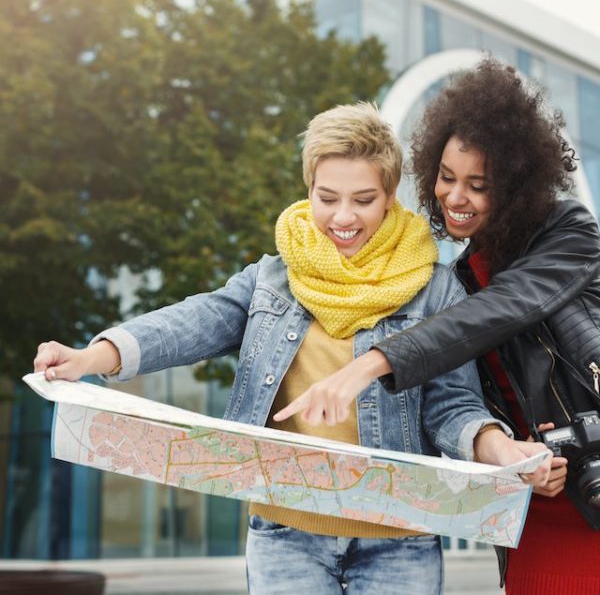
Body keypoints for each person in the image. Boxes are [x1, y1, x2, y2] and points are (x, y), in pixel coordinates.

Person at [34, 102, 550, 595]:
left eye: (363, 199)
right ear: (309, 190)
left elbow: (451, 405)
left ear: (391, 195)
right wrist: (89, 357)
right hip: (285, 536)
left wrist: (502, 451)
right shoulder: (273, 279)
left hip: (399, 539)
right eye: (327, 198)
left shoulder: (434, 288)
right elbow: (191, 322)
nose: (342, 217)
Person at [274, 61, 600, 594]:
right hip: (534, 501)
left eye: (478, 185)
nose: (454, 197)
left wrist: (369, 365)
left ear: (517, 188)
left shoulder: (569, 233)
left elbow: (499, 312)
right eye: (447, 177)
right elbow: (462, 398)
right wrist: (505, 455)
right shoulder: (456, 278)